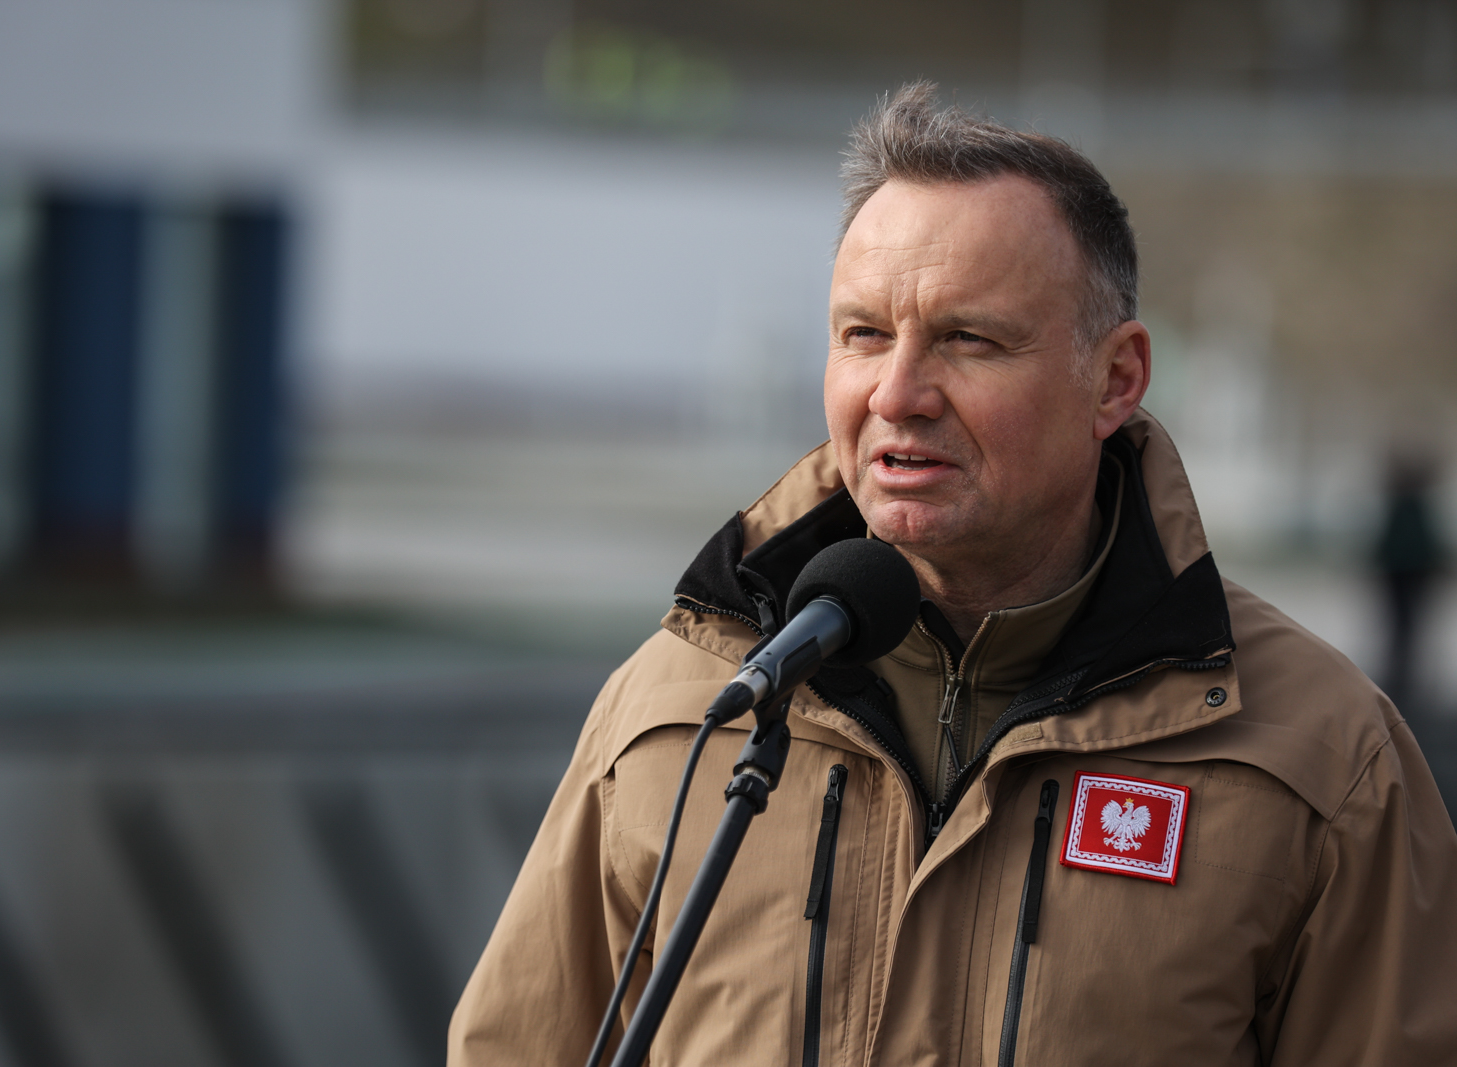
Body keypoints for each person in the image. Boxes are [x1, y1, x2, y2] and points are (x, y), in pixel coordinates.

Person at [449, 82, 1457, 1066]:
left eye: (967, 339)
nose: (897, 393)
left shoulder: (1321, 757)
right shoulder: (675, 711)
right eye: (863, 334)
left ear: (1114, 378)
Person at [1374, 451, 1447, 708]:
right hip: (1409, 575)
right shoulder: (1411, 505)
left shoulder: (1407, 505)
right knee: (1406, 626)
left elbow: (1394, 545)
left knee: (1403, 626)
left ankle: (1401, 673)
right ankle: (1402, 672)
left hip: (1405, 575)